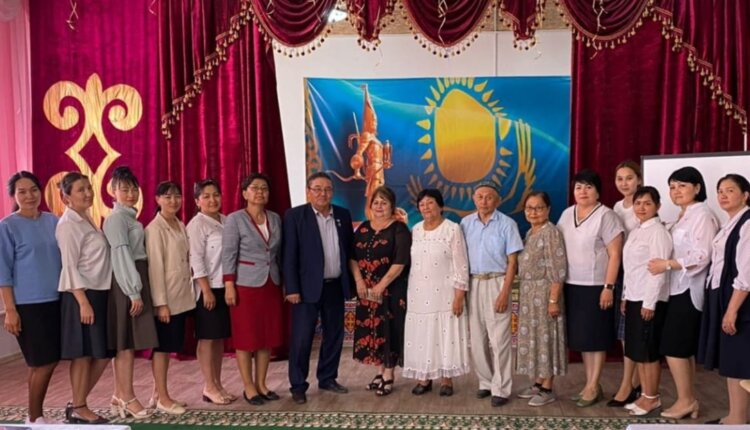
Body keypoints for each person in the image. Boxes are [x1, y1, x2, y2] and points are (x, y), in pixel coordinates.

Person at [647, 166, 717, 419]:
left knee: (675, 347)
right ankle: (688, 399)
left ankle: (686, 400)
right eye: (672, 187)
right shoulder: (683, 215)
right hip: (676, 288)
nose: (676, 191)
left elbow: (702, 255)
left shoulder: (703, 215)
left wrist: (667, 264)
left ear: (697, 188)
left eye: (682, 186)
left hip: (689, 288)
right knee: (681, 348)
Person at [283, 172, 354, 405]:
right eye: (317, 189)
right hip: (305, 290)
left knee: (334, 335)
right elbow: (289, 255)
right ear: (308, 191)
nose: (323, 193)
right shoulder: (295, 216)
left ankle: (327, 378)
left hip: (335, 286)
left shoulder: (342, 215)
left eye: (327, 189)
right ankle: (298, 385)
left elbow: (348, 251)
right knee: (302, 339)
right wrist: (291, 288)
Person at [557, 169, 623, 407]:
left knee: (595, 337)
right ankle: (590, 384)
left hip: (596, 286)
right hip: (572, 285)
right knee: (584, 339)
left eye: (588, 187)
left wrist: (608, 287)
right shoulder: (567, 214)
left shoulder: (606, 216)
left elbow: (615, 255)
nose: (582, 192)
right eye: (578, 187)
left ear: (598, 191)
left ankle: (594, 385)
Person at [0, 172, 62, 424]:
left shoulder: (53, 221)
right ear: (13, 196)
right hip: (28, 305)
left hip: (56, 301)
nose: (29, 196)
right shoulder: (7, 226)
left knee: (47, 361)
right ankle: (34, 418)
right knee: (42, 362)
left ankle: (35, 417)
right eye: (22, 192)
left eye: (33, 190)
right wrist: (10, 310)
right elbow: (3, 272)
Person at [223, 173, 284, 405]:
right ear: (244, 193)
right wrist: (229, 284)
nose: (260, 192)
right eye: (255, 188)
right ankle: (248, 387)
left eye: (264, 188)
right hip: (245, 285)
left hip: (271, 283)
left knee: (266, 337)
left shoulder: (275, 218)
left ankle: (261, 384)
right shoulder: (235, 219)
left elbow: (278, 253)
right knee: (246, 338)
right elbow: (228, 253)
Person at [403, 188, 471, 397]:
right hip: (418, 294)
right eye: (422, 204)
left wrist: (459, 296)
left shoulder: (452, 229)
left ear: (440, 206)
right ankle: (424, 378)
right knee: (422, 335)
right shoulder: (415, 230)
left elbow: (461, 265)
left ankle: (446, 379)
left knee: (445, 335)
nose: (426, 207)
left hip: (445, 294)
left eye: (430, 203)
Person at [102, 166, 158, 419]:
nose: (130, 193)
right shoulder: (116, 219)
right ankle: (128, 396)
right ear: (113, 192)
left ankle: (118, 395)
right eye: (124, 189)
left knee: (127, 343)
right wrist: (134, 292)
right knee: (125, 344)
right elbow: (121, 256)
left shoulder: (130, 218)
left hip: (134, 277)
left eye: (134, 189)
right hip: (127, 282)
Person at [56, 172, 111, 424]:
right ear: (66, 197)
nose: (88, 193)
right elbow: (69, 266)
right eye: (81, 190)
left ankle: (77, 402)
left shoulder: (86, 217)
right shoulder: (68, 224)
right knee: (83, 354)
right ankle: (79, 406)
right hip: (81, 295)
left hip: (98, 293)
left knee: (100, 353)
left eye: (89, 188)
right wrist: (83, 301)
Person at [460, 182, 522, 407]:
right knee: (477, 339)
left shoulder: (507, 224)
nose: (484, 201)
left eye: (489, 197)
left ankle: (501, 388)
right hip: (473, 282)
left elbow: (513, 262)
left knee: (500, 340)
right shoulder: (466, 223)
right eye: (480, 196)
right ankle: (485, 382)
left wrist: (505, 292)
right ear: (474, 199)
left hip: (497, 281)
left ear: (498, 200)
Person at [698, 174, 750, 425]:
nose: (723, 195)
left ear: (745, 195)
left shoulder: (747, 224)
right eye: (720, 191)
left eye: (730, 190)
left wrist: (732, 310)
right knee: (732, 360)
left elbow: (746, 273)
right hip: (724, 297)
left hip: (740, 302)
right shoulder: (730, 223)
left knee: (739, 361)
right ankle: (735, 416)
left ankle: (739, 419)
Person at [349, 186, 411, 397]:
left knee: (389, 330)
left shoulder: (399, 229)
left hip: (390, 290)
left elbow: (400, 262)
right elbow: (352, 257)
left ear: (392, 206)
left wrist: (380, 286)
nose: (379, 206)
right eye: (376, 202)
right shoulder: (363, 228)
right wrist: (359, 281)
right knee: (372, 331)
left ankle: (389, 374)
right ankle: (379, 371)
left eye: (384, 203)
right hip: (366, 291)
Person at [621, 186, 672, 416]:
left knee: (648, 351)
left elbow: (657, 270)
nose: (641, 207)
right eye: (638, 203)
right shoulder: (636, 230)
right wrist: (625, 296)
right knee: (638, 351)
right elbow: (631, 268)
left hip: (649, 299)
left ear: (658, 206)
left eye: (647, 203)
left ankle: (652, 398)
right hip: (634, 296)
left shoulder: (658, 232)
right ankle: (644, 395)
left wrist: (649, 303)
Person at [145, 181, 195, 415]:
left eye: (177, 196)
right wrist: (161, 304)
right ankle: (163, 398)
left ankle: (157, 394)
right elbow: (155, 268)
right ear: (157, 199)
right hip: (167, 300)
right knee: (162, 349)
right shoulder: (154, 229)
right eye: (167, 196)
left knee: (168, 347)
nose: (173, 201)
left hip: (181, 295)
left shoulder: (179, 223)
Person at [515, 191, 567, 407]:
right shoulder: (531, 232)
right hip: (529, 295)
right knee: (535, 340)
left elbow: (558, 269)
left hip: (546, 294)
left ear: (548, 210)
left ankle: (548, 388)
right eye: (529, 208)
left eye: (538, 208)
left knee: (547, 340)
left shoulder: (551, 233)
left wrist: (553, 300)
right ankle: (538, 382)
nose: (533, 212)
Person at [186, 179, 233, 405]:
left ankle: (217, 383)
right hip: (207, 288)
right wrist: (206, 290)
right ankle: (209, 385)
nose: (212, 200)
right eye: (206, 196)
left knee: (218, 338)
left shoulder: (226, 220)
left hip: (225, 287)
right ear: (197, 201)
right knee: (207, 338)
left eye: (216, 195)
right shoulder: (196, 225)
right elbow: (195, 259)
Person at [609, 160, 643, 407]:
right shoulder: (617, 207)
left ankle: (631, 384)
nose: (624, 183)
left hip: (640, 273)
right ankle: (634, 382)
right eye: (619, 179)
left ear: (638, 179)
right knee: (625, 332)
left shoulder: (643, 204)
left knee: (635, 331)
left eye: (629, 178)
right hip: (622, 273)